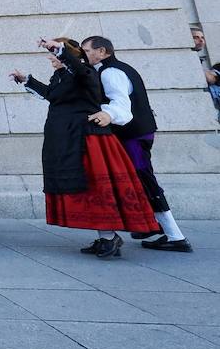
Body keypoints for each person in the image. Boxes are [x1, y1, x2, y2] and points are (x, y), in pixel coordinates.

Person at [11, 39, 157, 258]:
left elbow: (79, 68)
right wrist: (27, 80)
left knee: (95, 189)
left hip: (86, 139)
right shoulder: (62, 76)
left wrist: (58, 49)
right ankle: (104, 237)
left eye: (56, 55)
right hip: (66, 137)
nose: (51, 58)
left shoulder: (85, 72)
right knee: (84, 189)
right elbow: (53, 96)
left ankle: (109, 237)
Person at [81, 35, 192, 252]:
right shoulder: (113, 69)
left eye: (86, 51)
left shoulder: (111, 72)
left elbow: (121, 105)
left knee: (145, 179)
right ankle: (154, 227)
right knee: (139, 180)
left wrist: (108, 114)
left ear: (102, 51)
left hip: (133, 135)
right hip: (136, 133)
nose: (84, 56)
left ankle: (176, 236)